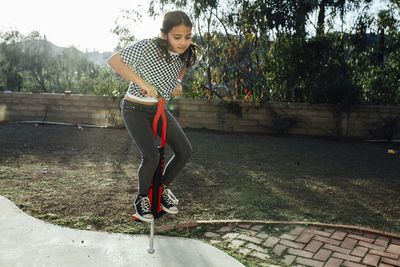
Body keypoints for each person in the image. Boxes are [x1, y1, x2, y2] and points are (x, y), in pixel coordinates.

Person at [108, 11, 201, 222]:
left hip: (158, 108)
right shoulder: (148, 47)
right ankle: (142, 199)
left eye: (187, 37)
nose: (184, 42)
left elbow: (182, 67)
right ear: (164, 34)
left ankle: (162, 189)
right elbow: (114, 60)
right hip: (134, 109)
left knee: (184, 151)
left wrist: (178, 82)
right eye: (177, 37)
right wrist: (142, 84)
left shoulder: (186, 53)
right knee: (151, 156)